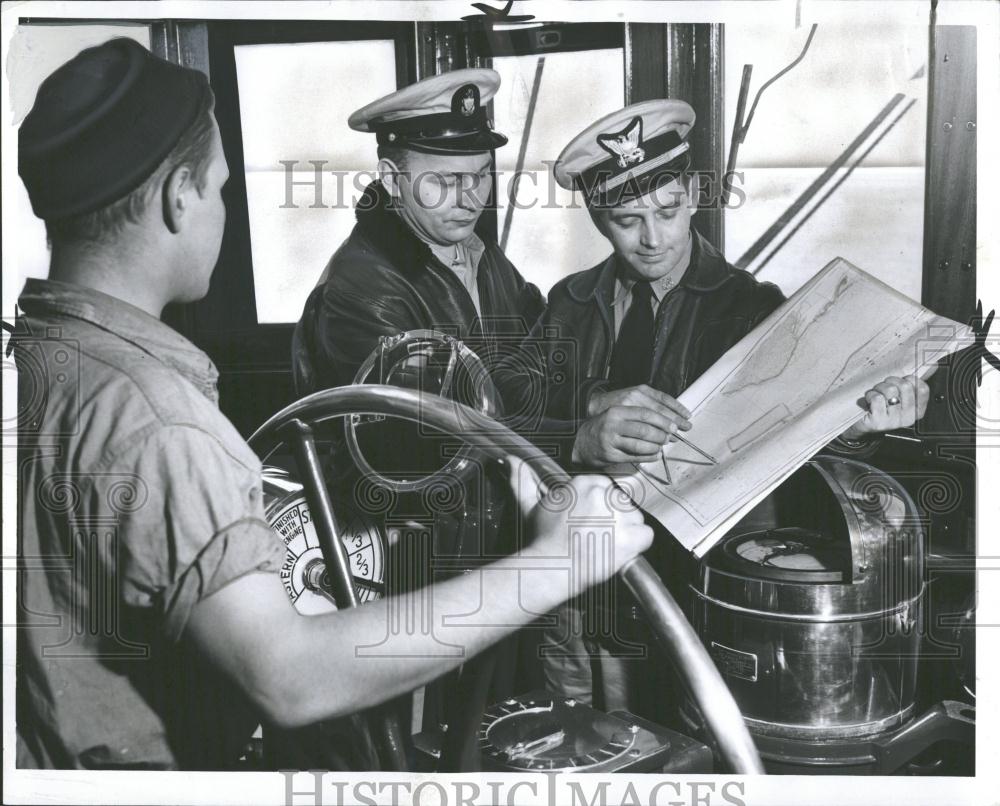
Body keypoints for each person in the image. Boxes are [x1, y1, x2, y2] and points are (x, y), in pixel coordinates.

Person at [13, 38, 653, 770]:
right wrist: (562, 560)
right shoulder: (168, 419)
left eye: (478, 177)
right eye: (222, 188)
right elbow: (290, 671)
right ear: (176, 198)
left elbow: (519, 368)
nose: (466, 199)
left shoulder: (40, 362)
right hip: (417, 569)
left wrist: (588, 400)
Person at [513, 99, 931, 719]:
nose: (653, 239)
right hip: (581, 585)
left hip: (699, 585)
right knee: (583, 740)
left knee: (691, 740)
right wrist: (580, 433)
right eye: (627, 219)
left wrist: (861, 425)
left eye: (668, 210)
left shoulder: (754, 310)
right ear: (598, 215)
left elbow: (796, 432)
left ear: (694, 195)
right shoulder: (568, 305)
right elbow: (510, 424)